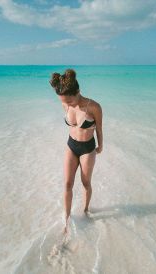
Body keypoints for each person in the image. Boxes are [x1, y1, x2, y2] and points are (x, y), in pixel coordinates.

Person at [49, 69, 103, 234]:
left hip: (87, 148)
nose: (68, 105)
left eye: (70, 101)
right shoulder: (65, 101)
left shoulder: (94, 107)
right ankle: (67, 219)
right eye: (64, 102)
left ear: (78, 92)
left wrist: (101, 146)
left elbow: (99, 129)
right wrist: (66, 101)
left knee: (86, 183)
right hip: (71, 145)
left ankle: (86, 211)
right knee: (67, 184)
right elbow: (66, 104)